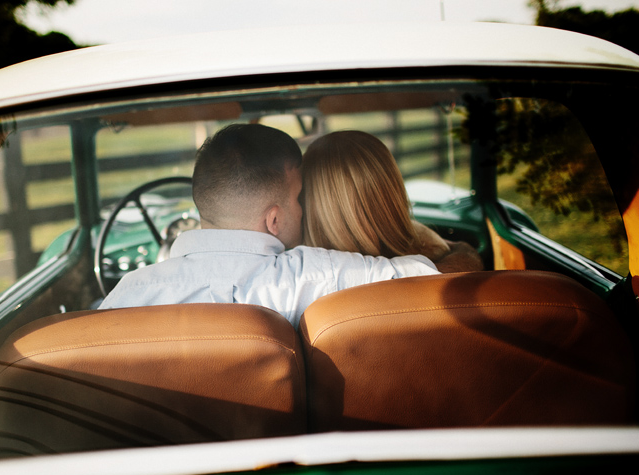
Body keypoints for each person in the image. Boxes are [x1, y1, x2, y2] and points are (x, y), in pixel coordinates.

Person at [99, 124, 474, 328]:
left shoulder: (129, 293)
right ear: (274, 219)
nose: (304, 207)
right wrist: (462, 251)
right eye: (300, 197)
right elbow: (439, 280)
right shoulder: (316, 275)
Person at [302, 130, 483, 271]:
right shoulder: (432, 254)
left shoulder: (299, 274)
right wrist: (462, 249)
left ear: (311, 203)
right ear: (394, 191)